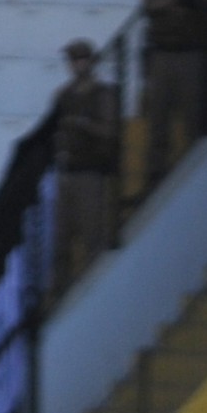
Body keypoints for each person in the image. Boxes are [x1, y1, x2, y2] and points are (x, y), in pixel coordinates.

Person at [51, 42, 119, 285]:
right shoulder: (63, 95)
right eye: (73, 60)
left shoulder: (102, 94)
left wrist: (83, 124)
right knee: (61, 240)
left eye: (80, 59)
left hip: (91, 171)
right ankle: (60, 289)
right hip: (67, 171)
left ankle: (93, 288)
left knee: (92, 236)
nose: (76, 65)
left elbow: (110, 131)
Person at [141, 0, 207, 185]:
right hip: (162, 52)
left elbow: (200, 3)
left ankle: (196, 170)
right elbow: (148, 6)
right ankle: (156, 172)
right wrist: (175, 1)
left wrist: (169, 2)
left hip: (189, 52)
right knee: (158, 117)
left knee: (192, 115)